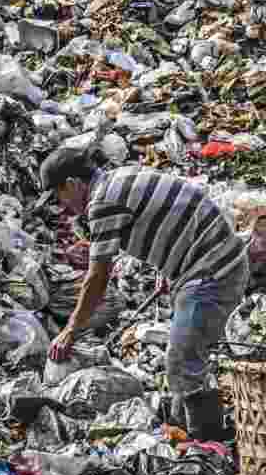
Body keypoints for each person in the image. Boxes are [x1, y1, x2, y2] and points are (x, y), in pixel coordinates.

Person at [42, 158, 248, 442]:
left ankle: (208, 446)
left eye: (59, 195)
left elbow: (97, 278)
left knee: (182, 360)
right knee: (183, 361)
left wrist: (70, 330)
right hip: (209, 261)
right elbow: (168, 211)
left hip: (213, 270)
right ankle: (187, 432)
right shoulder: (119, 176)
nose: (62, 204)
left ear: (73, 184)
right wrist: (169, 266)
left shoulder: (102, 204)